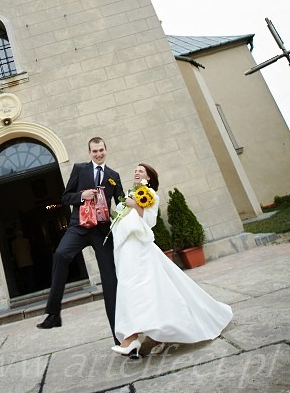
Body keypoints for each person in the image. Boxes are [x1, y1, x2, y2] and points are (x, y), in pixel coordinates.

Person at [111, 163, 233, 358]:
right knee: (138, 289)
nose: (136, 172)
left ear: (148, 177)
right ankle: (147, 336)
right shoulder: (128, 194)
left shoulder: (151, 194)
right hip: (127, 248)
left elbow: (150, 222)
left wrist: (136, 207)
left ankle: (133, 338)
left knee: (145, 287)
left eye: (141, 171)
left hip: (141, 247)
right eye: (135, 170)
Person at [37, 137, 124, 343]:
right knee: (60, 255)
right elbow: (65, 197)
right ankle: (54, 313)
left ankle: (120, 339)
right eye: (94, 151)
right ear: (89, 153)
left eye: (101, 150)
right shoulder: (79, 169)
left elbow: (120, 203)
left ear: (106, 149)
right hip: (78, 227)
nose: (98, 154)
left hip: (101, 232)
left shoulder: (114, 176)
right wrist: (81, 196)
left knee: (110, 282)